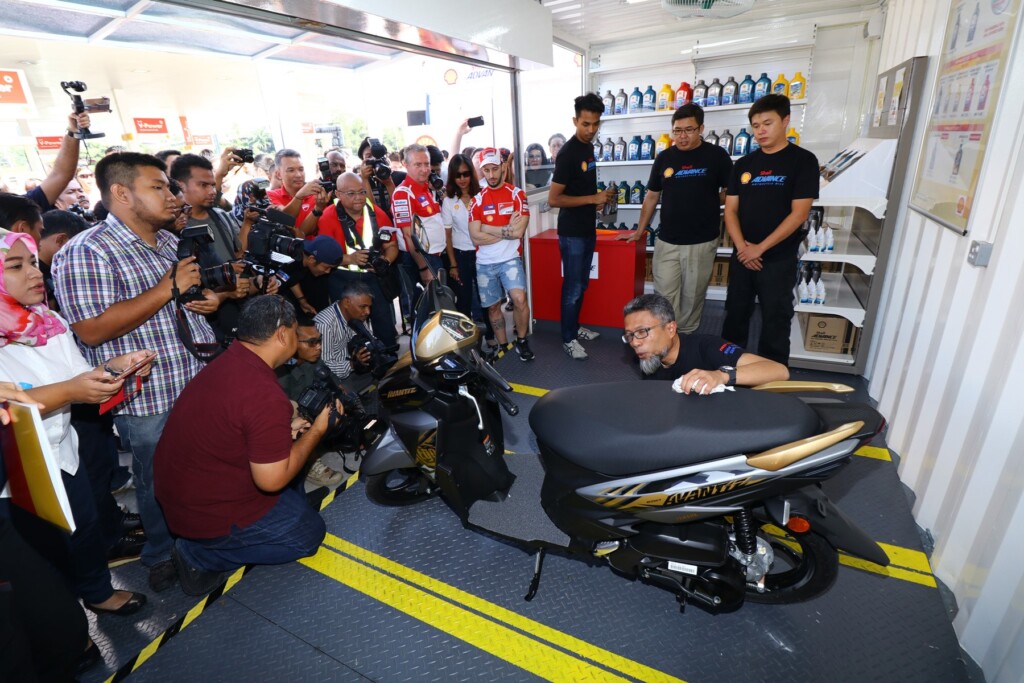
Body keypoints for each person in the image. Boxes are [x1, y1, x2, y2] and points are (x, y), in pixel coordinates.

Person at [51, 151, 220, 593]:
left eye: (168, 186)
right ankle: (162, 554)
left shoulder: (167, 241)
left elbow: (183, 300)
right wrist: (170, 288)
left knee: (204, 467)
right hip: (149, 397)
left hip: (196, 376)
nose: (172, 194)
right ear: (122, 194)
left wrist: (207, 302)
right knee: (158, 479)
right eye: (159, 187)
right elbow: (91, 330)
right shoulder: (86, 252)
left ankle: (206, 537)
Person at [0, 231, 154, 617]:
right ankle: (66, 628)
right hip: (13, 472)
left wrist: (118, 369)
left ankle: (98, 592)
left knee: (83, 528)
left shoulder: (47, 322)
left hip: (63, 453)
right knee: (38, 557)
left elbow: (79, 375)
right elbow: (8, 404)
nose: (34, 273)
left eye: (33, 262)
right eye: (14, 266)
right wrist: (72, 389)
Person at [154, 296, 332, 596]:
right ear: (281, 334)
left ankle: (281, 513)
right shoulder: (263, 394)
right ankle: (197, 554)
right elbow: (271, 479)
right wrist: (317, 430)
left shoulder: (230, 360)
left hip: (185, 491)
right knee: (310, 535)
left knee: (290, 449)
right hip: (206, 513)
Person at [722, 94, 819, 365]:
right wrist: (743, 248)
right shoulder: (743, 165)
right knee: (735, 316)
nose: (760, 131)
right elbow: (730, 210)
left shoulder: (803, 161)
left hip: (778, 258)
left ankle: (772, 378)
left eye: (767, 123)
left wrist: (760, 249)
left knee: (775, 320)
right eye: (755, 125)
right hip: (743, 255)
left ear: (786, 120)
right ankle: (727, 370)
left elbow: (799, 213)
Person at [620, 103, 733, 333]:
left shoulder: (716, 155)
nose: (682, 136)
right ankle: (667, 340)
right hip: (668, 240)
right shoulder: (664, 158)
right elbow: (651, 197)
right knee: (664, 297)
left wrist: (711, 201)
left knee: (692, 297)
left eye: (689, 130)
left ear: (701, 128)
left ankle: (687, 337)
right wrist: (641, 230)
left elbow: (732, 191)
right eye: (677, 130)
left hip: (701, 241)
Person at [548, 93, 615, 360]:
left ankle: (574, 328)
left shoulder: (588, 147)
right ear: (575, 120)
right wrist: (593, 199)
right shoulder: (568, 154)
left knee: (582, 284)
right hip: (572, 233)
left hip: (588, 227)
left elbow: (579, 189)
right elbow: (554, 199)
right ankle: (567, 339)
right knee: (573, 287)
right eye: (585, 124)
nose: (590, 130)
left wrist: (596, 204)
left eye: (595, 124)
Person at [623, 293, 788, 392]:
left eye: (642, 332)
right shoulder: (649, 356)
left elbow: (779, 371)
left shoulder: (707, 347)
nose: (635, 343)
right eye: (629, 335)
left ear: (671, 329)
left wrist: (720, 375)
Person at [316, 172, 400, 350]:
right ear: (338, 194)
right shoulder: (327, 217)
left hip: (374, 277)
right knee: (349, 325)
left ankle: (389, 358)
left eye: (362, 192)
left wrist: (385, 261)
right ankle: (355, 362)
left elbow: (392, 245)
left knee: (383, 321)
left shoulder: (376, 213)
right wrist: (349, 259)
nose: (359, 198)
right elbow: (322, 258)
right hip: (342, 278)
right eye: (351, 193)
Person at [468, 149, 535, 361]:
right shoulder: (477, 200)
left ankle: (522, 341)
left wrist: (486, 228)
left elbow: (518, 232)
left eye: (495, 169)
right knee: (494, 307)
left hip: (510, 259)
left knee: (520, 299)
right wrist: (504, 229)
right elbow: (475, 238)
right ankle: (503, 345)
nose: (491, 175)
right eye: (486, 170)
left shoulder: (517, 194)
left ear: (503, 167)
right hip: (485, 263)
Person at [276, 316, 345, 487]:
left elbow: (338, 386)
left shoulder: (313, 360)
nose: (319, 346)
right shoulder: (277, 373)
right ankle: (308, 462)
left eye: (319, 340)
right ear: (293, 341)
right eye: (312, 342)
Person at [392, 144, 448, 297]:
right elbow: (409, 235)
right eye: (418, 165)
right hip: (422, 259)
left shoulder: (427, 188)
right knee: (426, 308)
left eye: (427, 164)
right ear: (406, 165)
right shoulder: (403, 193)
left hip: (436, 256)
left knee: (439, 303)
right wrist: (423, 268)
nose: (424, 169)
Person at [441, 154, 487, 333]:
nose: (462, 179)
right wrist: (453, 264)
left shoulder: (483, 196)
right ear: (452, 177)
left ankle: (491, 336)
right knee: (464, 300)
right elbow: (448, 236)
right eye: (457, 175)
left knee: (487, 298)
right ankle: (466, 340)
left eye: (466, 174)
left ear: (472, 174)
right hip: (460, 256)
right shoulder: (448, 201)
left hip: (483, 253)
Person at [22, 112, 93, 214]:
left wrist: (73, 130)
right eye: (70, 192)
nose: (80, 195)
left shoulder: (12, 205)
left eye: (80, 190)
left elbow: (61, 175)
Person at [314, 281, 374, 392]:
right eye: (363, 307)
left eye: (369, 307)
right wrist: (352, 364)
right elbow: (326, 365)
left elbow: (369, 337)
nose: (367, 312)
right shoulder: (325, 325)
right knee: (354, 403)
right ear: (347, 302)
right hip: (335, 377)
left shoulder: (357, 315)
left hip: (353, 368)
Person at [268, 149, 332, 238]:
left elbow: (304, 233)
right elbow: (284, 219)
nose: (298, 175)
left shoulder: (318, 193)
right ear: (278, 174)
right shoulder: (271, 195)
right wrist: (299, 196)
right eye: (291, 170)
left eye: (301, 169)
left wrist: (318, 208)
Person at [281, 235, 344, 316]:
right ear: (312, 259)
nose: (328, 271)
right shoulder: (288, 261)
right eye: (326, 267)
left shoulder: (303, 258)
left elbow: (292, 278)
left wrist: (302, 301)